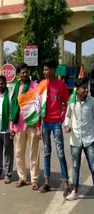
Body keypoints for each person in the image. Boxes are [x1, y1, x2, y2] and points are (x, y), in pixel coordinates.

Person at [38, 59, 70, 198]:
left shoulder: (61, 85)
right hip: (45, 123)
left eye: (47, 69)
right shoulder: (41, 85)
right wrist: (39, 126)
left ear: (53, 70)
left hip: (56, 123)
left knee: (61, 153)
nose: (45, 72)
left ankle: (66, 183)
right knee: (46, 153)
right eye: (44, 69)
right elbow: (37, 107)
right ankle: (47, 182)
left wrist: (62, 119)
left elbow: (67, 103)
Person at [10, 63, 41, 190]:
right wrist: (11, 127)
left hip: (32, 124)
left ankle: (34, 179)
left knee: (34, 153)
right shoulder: (15, 88)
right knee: (19, 153)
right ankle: (22, 177)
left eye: (26, 72)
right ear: (18, 74)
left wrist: (39, 126)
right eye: (22, 72)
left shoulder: (35, 86)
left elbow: (39, 106)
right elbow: (13, 108)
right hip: (19, 125)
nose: (25, 74)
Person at [64, 78, 94, 201]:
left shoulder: (92, 102)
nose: (86, 89)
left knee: (93, 166)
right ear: (77, 90)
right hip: (76, 140)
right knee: (75, 166)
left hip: (90, 139)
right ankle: (75, 191)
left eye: (86, 87)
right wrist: (67, 125)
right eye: (83, 88)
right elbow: (67, 116)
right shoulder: (71, 102)